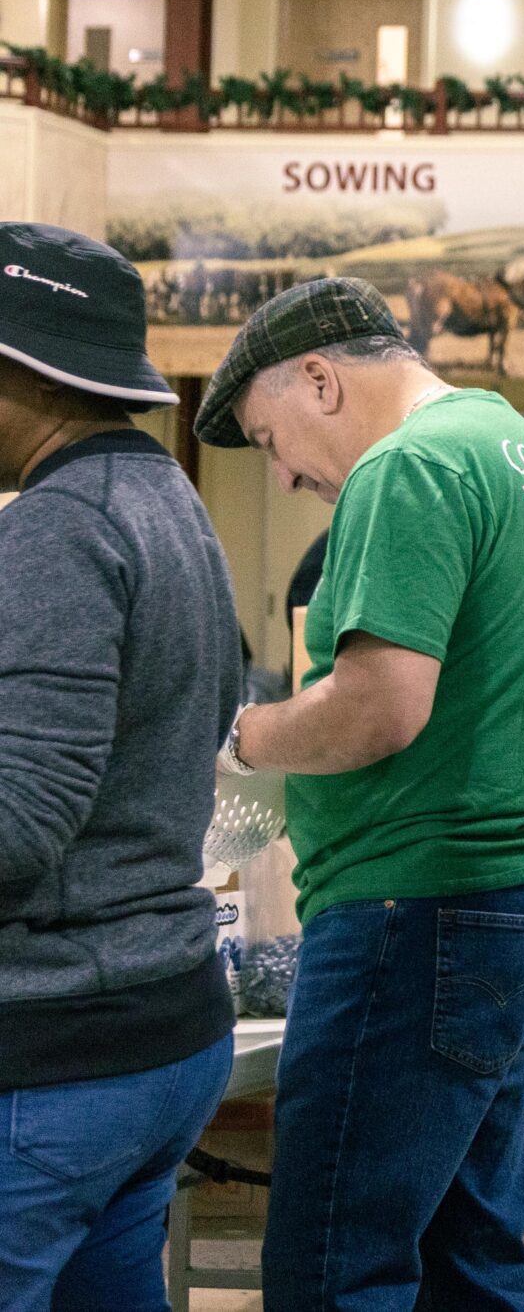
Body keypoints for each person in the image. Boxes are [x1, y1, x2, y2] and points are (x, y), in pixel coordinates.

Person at [197, 277, 524, 1312]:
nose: (285, 474)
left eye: (268, 438)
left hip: (424, 903)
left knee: (340, 1261)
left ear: (321, 381)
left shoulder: (409, 465)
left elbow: (378, 707)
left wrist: (239, 738)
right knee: (467, 1250)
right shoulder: (513, 445)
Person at [0, 224, 238, 1312]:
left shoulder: (54, 530)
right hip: (161, 1029)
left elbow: (19, 821)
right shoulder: (169, 503)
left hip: (53, 1054)